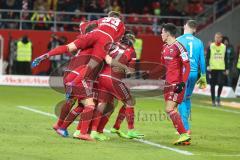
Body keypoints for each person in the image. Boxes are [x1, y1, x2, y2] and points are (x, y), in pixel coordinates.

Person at [32, 11, 126, 141]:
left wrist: (47, 55)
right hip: (79, 77)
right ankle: (81, 132)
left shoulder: (87, 36)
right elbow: (106, 59)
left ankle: (60, 125)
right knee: (90, 104)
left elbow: (73, 39)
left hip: (69, 73)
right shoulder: (103, 43)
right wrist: (124, 66)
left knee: (76, 103)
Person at [160, 23, 191, 145]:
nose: (161, 34)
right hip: (167, 84)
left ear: (167, 33)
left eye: (162, 32)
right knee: (173, 110)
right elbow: (163, 66)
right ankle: (184, 136)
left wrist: (182, 83)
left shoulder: (179, 46)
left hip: (176, 84)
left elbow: (187, 66)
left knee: (169, 109)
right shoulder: (164, 47)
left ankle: (184, 134)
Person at [177, 20, 206, 134]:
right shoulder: (199, 42)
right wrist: (203, 75)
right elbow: (202, 60)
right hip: (194, 73)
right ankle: (185, 125)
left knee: (180, 100)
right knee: (187, 98)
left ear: (185, 26)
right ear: (195, 29)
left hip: (183, 73)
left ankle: (185, 128)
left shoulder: (179, 40)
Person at [206, 32, 228, 106]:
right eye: (216, 37)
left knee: (221, 83)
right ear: (214, 38)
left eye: (219, 37)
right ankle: (213, 100)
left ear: (221, 39)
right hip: (212, 68)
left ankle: (218, 97)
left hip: (221, 68)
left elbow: (226, 58)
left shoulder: (224, 47)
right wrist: (208, 65)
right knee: (212, 84)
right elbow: (207, 57)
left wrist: (227, 68)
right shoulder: (211, 46)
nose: (218, 39)